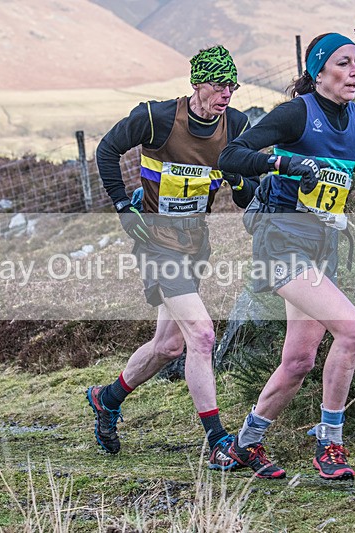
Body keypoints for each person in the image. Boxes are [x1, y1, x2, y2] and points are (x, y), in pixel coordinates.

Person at [218, 33, 355, 480]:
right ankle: (329, 443)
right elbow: (231, 156)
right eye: (344, 63)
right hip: (280, 241)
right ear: (319, 71)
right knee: (353, 330)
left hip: (321, 248)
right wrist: (284, 165)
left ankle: (243, 445)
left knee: (299, 361)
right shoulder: (295, 114)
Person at [87, 45, 257, 469]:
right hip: (156, 243)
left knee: (168, 345)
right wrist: (123, 207)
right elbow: (107, 150)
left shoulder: (235, 125)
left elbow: (246, 190)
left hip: (194, 244)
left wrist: (240, 183)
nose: (226, 94)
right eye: (219, 85)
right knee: (201, 336)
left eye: (232, 86)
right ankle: (218, 442)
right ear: (197, 82)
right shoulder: (156, 117)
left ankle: (105, 399)